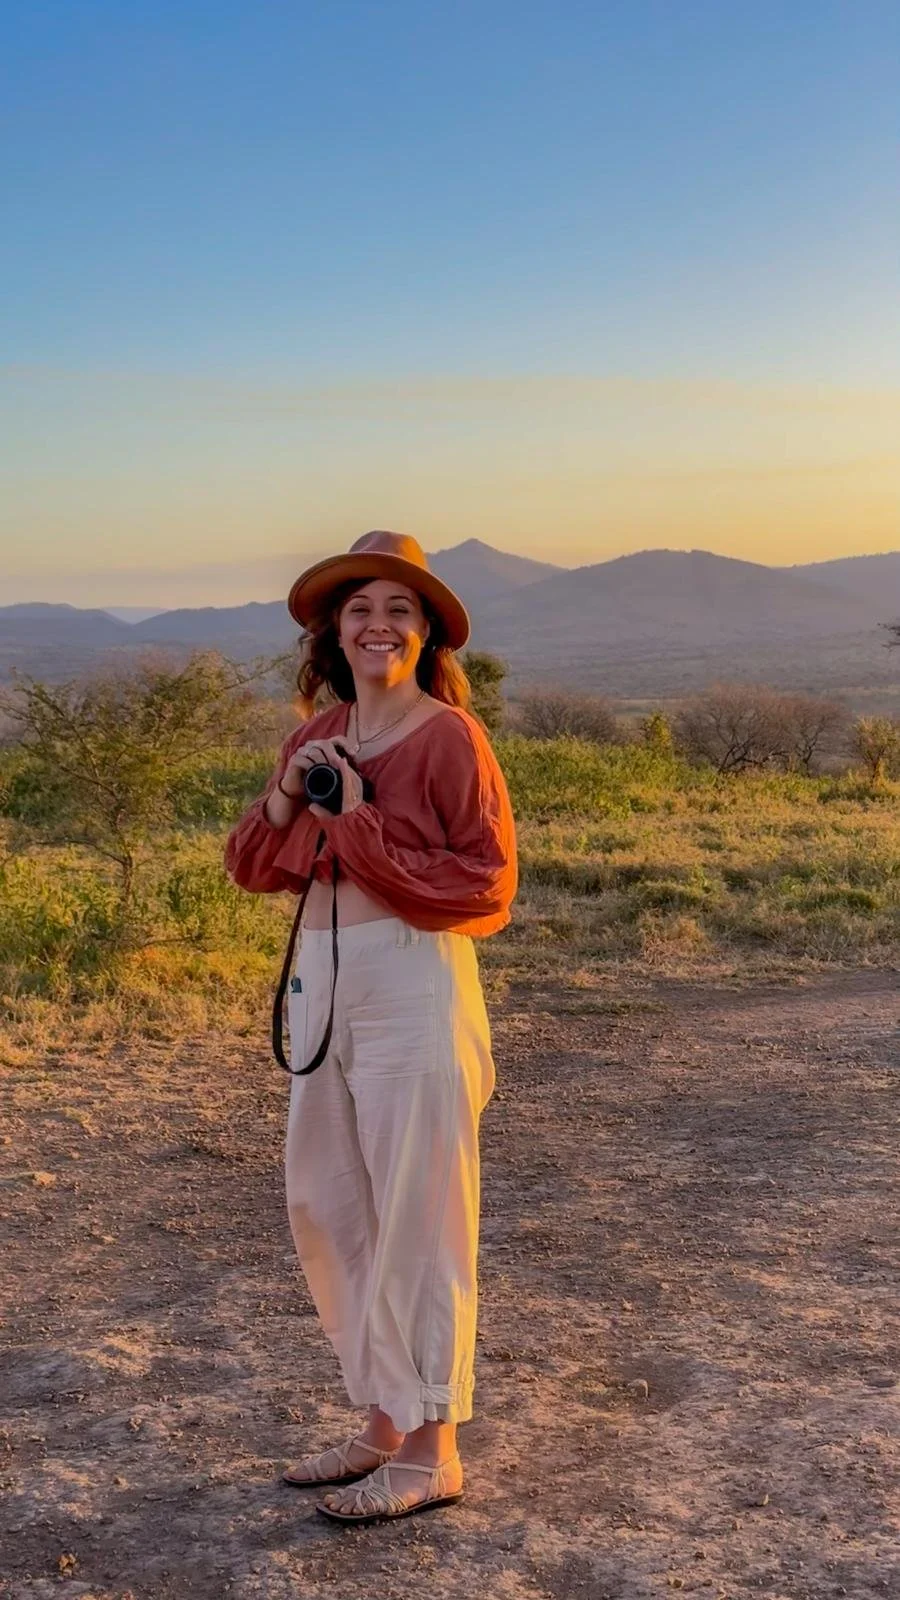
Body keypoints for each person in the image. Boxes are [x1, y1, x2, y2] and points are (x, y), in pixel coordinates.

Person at [225, 530, 517, 1526]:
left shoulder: (448, 739)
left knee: (420, 1211)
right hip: (324, 977)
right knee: (331, 1198)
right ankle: (383, 1419)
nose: (379, 624)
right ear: (333, 631)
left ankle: (435, 1446)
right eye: (360, 608)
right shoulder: (321, 734)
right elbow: (254, 866)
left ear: (426, 628)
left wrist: (354, 819)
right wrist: (290, 789)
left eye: (399, 607)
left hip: (413, 981)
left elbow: (483, 887)